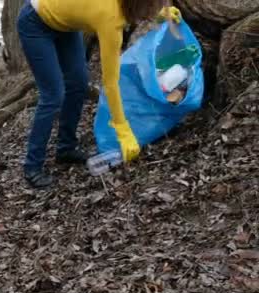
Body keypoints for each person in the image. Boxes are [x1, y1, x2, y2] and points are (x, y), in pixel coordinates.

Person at [17, 0, 181, 188]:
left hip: (66, 24)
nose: (154, 9)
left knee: (78, 84)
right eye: (151, 7)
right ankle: (32, 166)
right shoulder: (111, 19)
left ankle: (66, 148)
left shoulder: (124, 7)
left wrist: (162, 13)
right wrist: (122, 129)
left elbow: (135, 10)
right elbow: (110, 83)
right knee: (53, 95)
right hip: (36, 21)